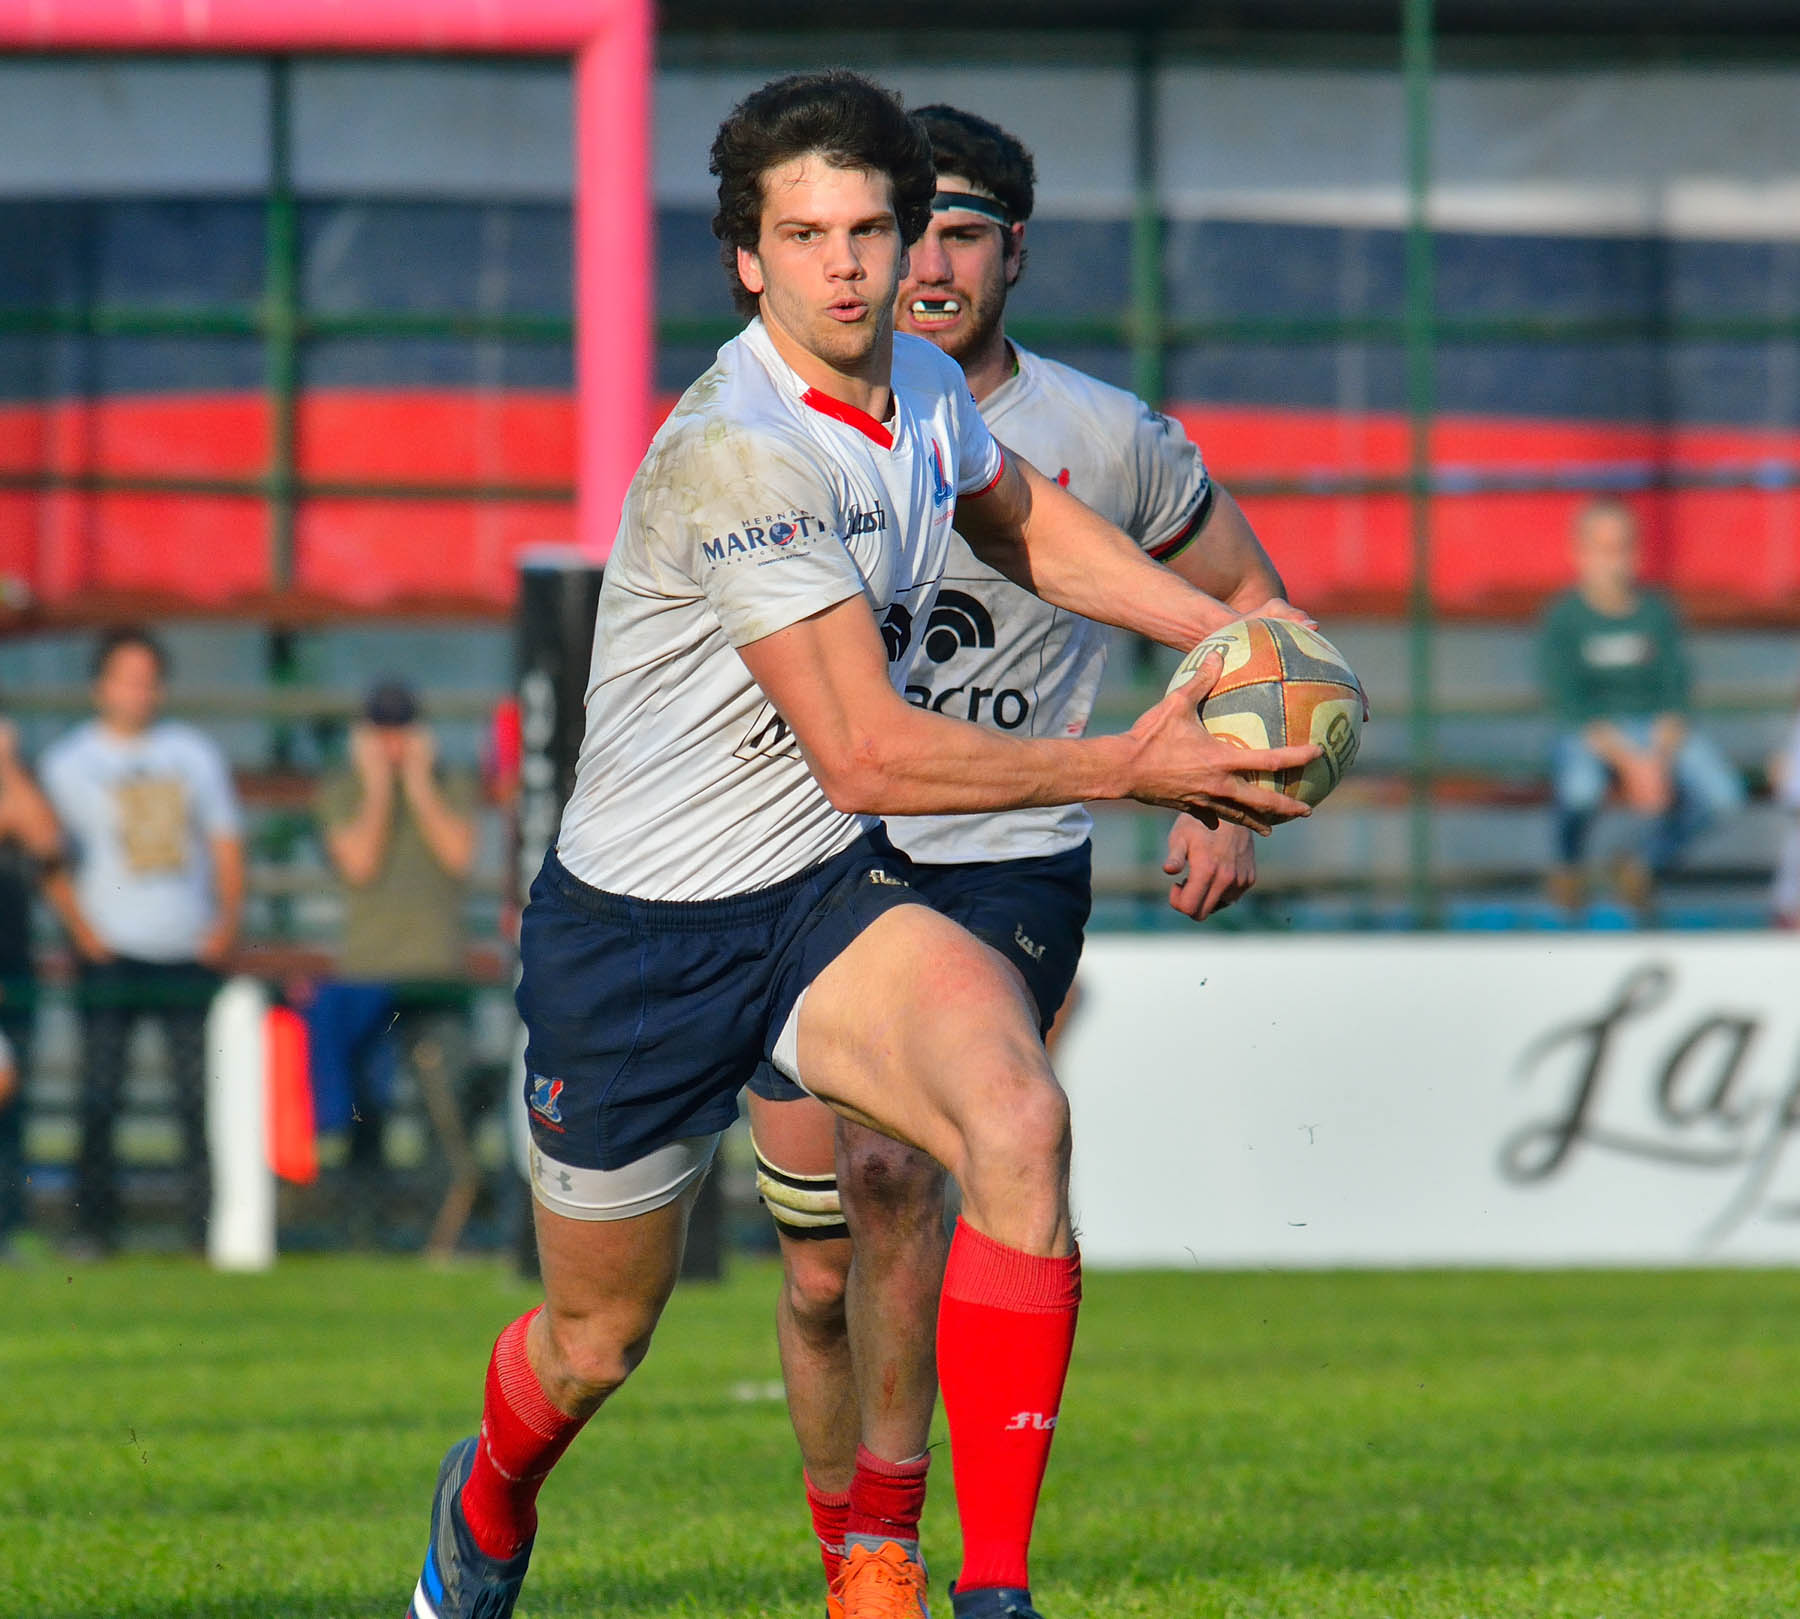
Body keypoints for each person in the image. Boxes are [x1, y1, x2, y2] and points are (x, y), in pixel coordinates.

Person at [403, 71, 1317, 1619]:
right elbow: (867, 746)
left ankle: (986, 1587)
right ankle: (488, 1495)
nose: (844, 262)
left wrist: (1239, 634)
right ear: (746, 260)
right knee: (595, 1342)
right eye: (803, 232)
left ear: (910, 245)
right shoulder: (739, 453)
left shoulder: (917, 382)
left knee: (1012, 1124)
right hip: (643, 934)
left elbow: (1027, 520)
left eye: (869, 228)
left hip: (822, 891)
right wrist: (1141, 757)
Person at [740, 103, 1296, 1619]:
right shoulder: (775, 429)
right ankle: (849, 1524)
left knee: (915, 1162)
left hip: (1008, 861)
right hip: (798, 854)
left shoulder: (1106, 437)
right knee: (815, 1265)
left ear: (1014, 254)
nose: (926, 261)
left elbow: (1250, 599)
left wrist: (1226, 797)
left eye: (963, 231)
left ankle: (948, 1564)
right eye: (901, 227)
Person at [41, 627, 244, 1255]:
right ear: (101, 686)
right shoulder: (69, 763)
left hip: (184, 948)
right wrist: (82, 928)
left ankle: (204, 1233)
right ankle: (93, 1230)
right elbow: (49, 854)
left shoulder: (192, 754)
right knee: (99, 1096)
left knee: (196, 1098)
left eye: (147, 678)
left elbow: (225, 843)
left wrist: (225, 923)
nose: (138, 692)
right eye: (126, 678)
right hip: (111, 951)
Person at [311, 679, 479, 1248]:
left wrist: (416, 784)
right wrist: (381, 787)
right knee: (365, 1113)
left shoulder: (449, 782)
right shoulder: (342, 789)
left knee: (443, 1115)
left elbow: (459, 855)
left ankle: (439, 1238)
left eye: (401, 728)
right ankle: (363, 1232)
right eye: (381, 730)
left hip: (437, 976)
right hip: (366, 976)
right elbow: (359, 862)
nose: (392, 742)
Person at [1537, 498, 1744, 916]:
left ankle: (1642, 865)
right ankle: (1568, 865)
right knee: (1580, 790)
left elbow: (1675, 696)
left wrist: (1658, 757)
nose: (1615, 561)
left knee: (1724, 796)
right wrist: (1635, 764)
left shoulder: (1656, 613)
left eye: (1624, 547)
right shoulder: (1563, 619)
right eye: (1604, 548)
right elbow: (1574, 709)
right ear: (1580, 553)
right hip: (1594, 735)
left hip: (1655, 732)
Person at [0, 711, 66, 1256]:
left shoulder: (13, 778)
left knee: (11, 1106)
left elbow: (46, 839)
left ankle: (7, 1229)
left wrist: (6, 763)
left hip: (13, 975)